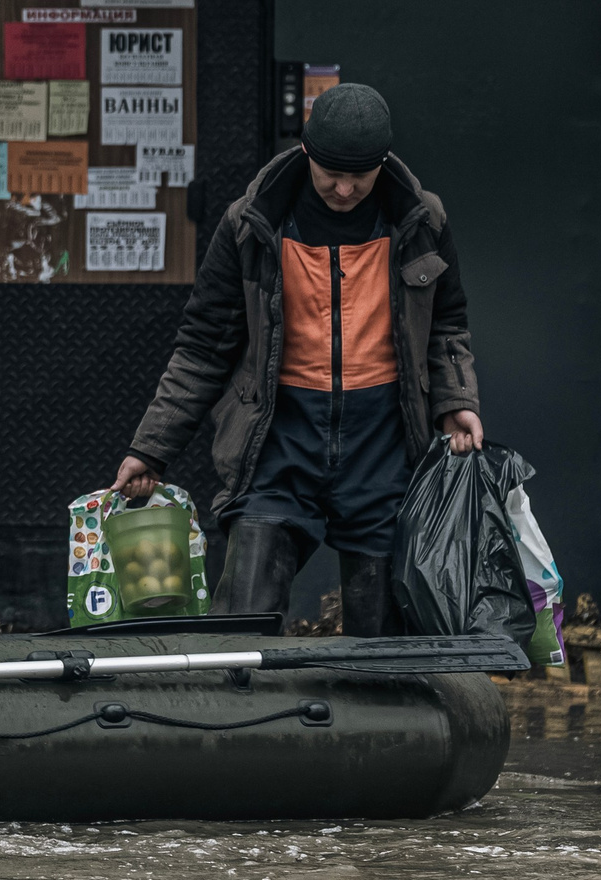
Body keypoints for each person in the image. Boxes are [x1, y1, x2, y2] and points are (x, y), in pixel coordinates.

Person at [109, 83, 483, 636]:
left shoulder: (421, 221)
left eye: (360, 174)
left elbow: (447, 325)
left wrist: (456, 402)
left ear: (382, 163)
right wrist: (151, 448)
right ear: (307, 152)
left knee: (387, 637)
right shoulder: (251, 225)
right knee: (242, 619)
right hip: (279, 441)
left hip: (383, 443)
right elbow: (203, 346)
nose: (344, 187)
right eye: (331, 171)